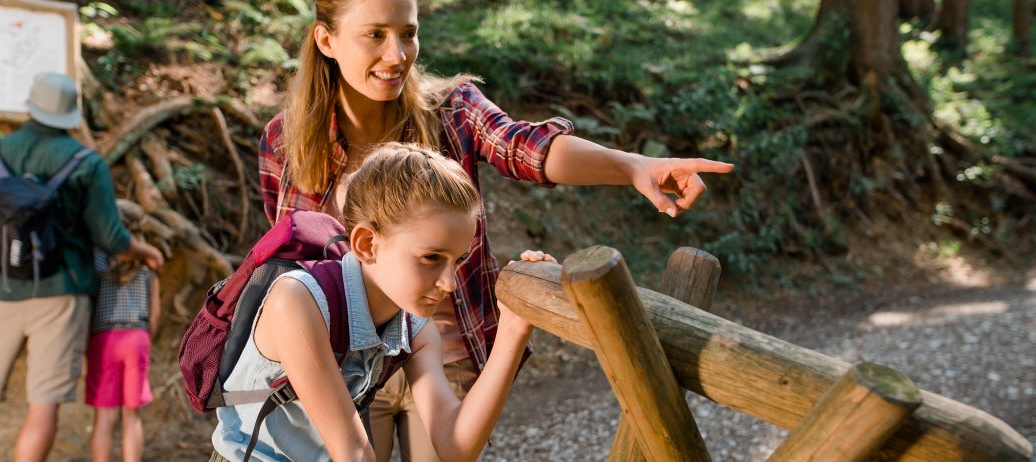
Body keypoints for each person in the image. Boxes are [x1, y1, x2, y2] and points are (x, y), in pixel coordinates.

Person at [256, 0, 736, 459]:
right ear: (326, 39)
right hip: (349, 364)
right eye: (375, 35)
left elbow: (528, 149)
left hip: (442, 355)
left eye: (409, 33)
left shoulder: (453, 111)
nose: (396, 55)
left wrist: (631, 166)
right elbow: (292, 260)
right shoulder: (286, 141)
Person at [214, 143, 550, 461]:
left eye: (458, 261)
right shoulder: (297, 300)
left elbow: (455, 447)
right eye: (432, 257)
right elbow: (354, 453)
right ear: (366, 244)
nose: (450, 283)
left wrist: (513, 330)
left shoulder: (415, 329)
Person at [0, 72, 163, 462]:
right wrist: (147, 250)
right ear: (70, 114)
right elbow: (112, 238)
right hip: (62, 297)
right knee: (43, 405)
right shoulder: (86, 163)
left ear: (31, 105)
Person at [86, 237, 162, 462]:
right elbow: (155, 312)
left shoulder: (96, 263)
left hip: (104, 338)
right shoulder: (146, 265)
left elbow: (88, 306)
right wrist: (146, 339)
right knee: (132, 415)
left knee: (104, 416)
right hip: (137, 337)